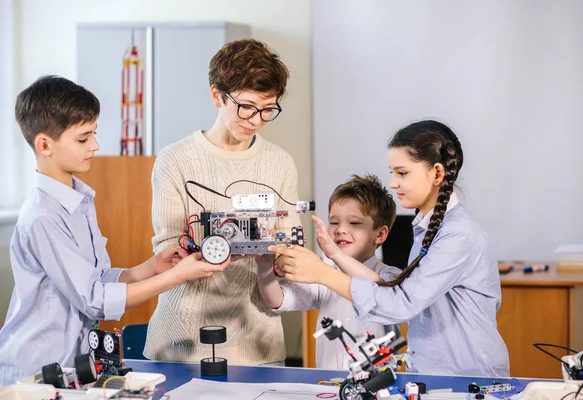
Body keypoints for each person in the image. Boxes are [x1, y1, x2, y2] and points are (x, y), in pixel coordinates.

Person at [0, 75, 230, 387]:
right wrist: (175, 277)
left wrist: (150, 268)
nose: (95, 145)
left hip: (73, 364)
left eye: (94, 134)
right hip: (36, 369)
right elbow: (94, 300)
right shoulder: (42, 216)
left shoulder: (79, 198)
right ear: (44, 144)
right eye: (83, 138)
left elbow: (97, 278)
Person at [270, 120, 510, 377]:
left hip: (467, 374)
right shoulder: (428, 228)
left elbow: (401, 304)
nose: (393, 183)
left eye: (402, 173)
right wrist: (334, 256)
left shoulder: (457, 234)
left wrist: (323, 273)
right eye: (392, 172)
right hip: (436, 372)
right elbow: (394, 289)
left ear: (437, 173)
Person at [144, 39, 301, 366]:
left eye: (268, 109)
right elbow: (169, 251)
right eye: (246, 106)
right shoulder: (176, 160)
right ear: (217, 95)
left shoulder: (279, 163)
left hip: (257, 344)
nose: (256, 119)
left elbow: (290, 249)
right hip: (182, 342)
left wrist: (276, 254)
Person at [257, 174, 401, 369]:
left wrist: (333, 255)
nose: (340, 229)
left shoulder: (391, 277)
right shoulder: (323, 273)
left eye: (355, 223)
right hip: (329, 386)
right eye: (334, 222)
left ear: (380, 234)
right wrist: (265, 265)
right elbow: (276, 300)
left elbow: (381, 292)